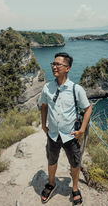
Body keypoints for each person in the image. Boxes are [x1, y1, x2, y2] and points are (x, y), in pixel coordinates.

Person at [38, 52, 92, 205]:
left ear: (67, 68)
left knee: (74, 163)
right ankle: (51, 184)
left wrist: (81, 130)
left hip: (71, 135)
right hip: (53, 134)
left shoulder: (76, 89)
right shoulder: (47, 87)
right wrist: (43, 125)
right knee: (51, 160)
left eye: (58, 64)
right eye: (53, 64)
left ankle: (74, 188)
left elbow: (88, 109)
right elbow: (44, 106)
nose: (54, 67)